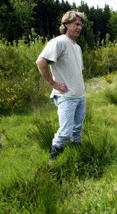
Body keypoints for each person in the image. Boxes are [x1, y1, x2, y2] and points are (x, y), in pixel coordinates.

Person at [35, 11, 86, 164]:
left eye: (81, 25)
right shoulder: (59, 42)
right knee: (65, 132)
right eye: (76, 24)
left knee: (77, 129)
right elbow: (41, 62)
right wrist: (53, 83)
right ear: (66, 25)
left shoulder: (76, 47)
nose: (79, 27)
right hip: (66, 97)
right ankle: (53, 163)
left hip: (80, 95)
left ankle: (77, 155)